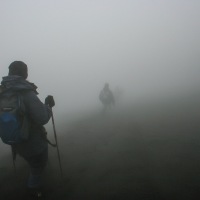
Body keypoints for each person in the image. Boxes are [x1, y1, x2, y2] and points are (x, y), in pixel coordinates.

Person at [0, 61, 54, 199]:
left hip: (14, 141)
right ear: (24, 73)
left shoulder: (2, 91)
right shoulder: (25, 91)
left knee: (31, 161)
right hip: (33, 142)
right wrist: (48, 106)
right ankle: (34, 191)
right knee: (38, 166)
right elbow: (42, 117)